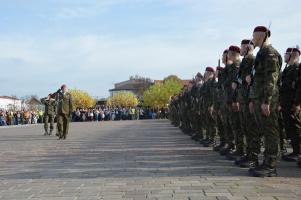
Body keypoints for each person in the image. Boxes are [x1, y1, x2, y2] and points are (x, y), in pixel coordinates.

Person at [248, 26, 282, 177]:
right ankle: (266, 161)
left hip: (266, 99)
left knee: (270, 131)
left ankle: (271, 165)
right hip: (258, 97)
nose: (252, 39)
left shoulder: (270, 53)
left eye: (254, 37)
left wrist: (266, 101)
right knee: (265, 131)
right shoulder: (261, 53)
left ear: (261, 36)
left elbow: (271, 79)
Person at [280, 47, 301, 163]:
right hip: (286, 103)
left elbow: (298, 87)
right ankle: (295, 151)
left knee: (296, 128)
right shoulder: (287, 69)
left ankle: (298, 152)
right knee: (291, 128)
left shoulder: (297, 69)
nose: (284, 56)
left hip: (294, 103)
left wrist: (297, 103)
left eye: (286, 54)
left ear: (292, 55)